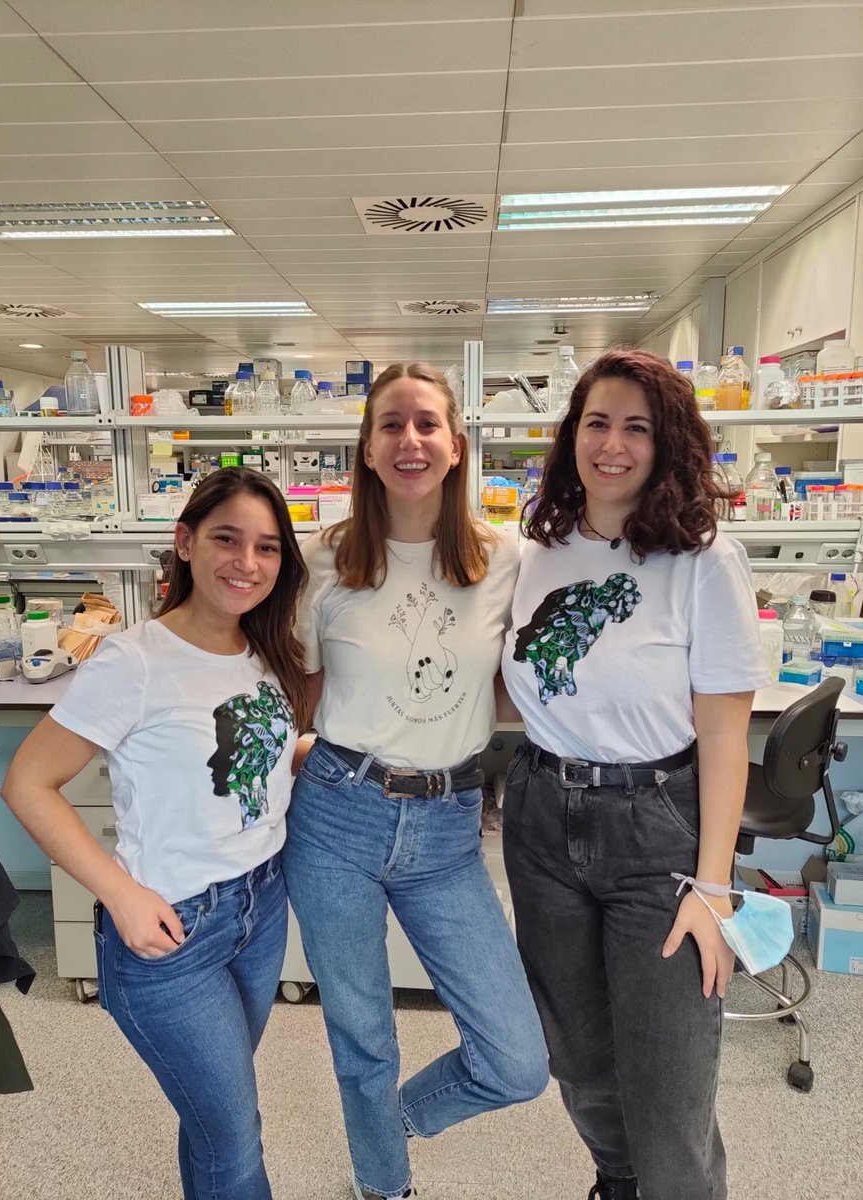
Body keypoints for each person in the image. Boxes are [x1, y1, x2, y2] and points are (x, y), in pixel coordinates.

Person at [500, 349, 770, 1200]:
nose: (611, 445)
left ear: (668, 444)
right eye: (596, 423)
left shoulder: (701, 558)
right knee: (575, 1054)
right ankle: (618, 1183)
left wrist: (713, 886)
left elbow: (726, 737)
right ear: (571, 435)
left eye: (636, 428)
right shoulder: (534, 546)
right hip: (541, 814)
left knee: (667, 1076)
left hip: (657, 828)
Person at [2, 467, 310, 1200]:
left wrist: (320, 750)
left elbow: (259, 751)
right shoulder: (135, 659)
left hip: (259, 910)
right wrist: (122, 896)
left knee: (213, 1120)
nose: (247, 562)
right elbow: (27, 783)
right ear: (184, 543)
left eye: (267, 548)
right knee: (234, 1138)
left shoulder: (261, 649)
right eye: (227, 539)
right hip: (172, 933)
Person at [283, 362, 549, 1200]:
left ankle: (388, 1120)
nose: (410, 441)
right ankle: (383, 1184)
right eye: (391, 425)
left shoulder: (507, 557)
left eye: (427, 424)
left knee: (516, 1059)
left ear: (457, 445)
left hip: (445, 828)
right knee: (361, 1033)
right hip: (337, 816)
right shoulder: (321, 560)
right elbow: (298, 686)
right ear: (366, 447)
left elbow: (526, 673)